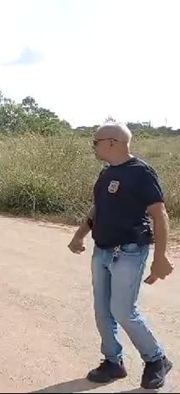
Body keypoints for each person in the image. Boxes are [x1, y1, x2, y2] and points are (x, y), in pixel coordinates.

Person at [67, 122, 174, 389]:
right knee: (102, 310)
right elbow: (98, 209)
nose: (93, 146)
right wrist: (79, 235)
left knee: (123, 311)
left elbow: (159, 215)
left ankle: (156, 359)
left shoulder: (141, 172)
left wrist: (160, 257)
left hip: (129, 251)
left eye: (96, 142)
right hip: (101, 250)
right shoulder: (106, 173)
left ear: (112, 142)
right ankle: (113, 362)